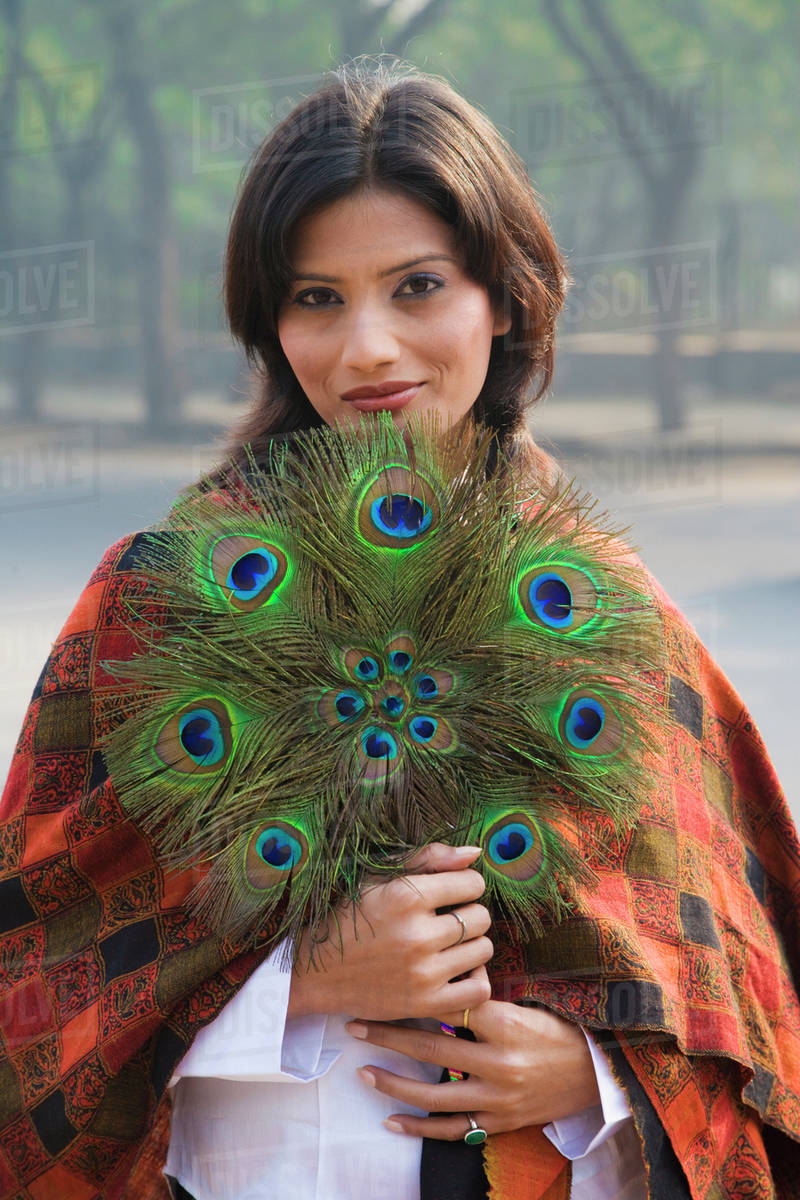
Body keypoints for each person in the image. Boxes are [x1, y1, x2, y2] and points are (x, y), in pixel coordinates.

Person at [0, 60, 798, 1200]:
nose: (365, 349)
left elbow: (744, 1002)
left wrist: (591, 1079)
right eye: (315, 297)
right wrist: (295, 983)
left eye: (416, 286)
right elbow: (31, 986)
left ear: (506, 297)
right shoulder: (154, 602)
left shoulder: (611, 614)